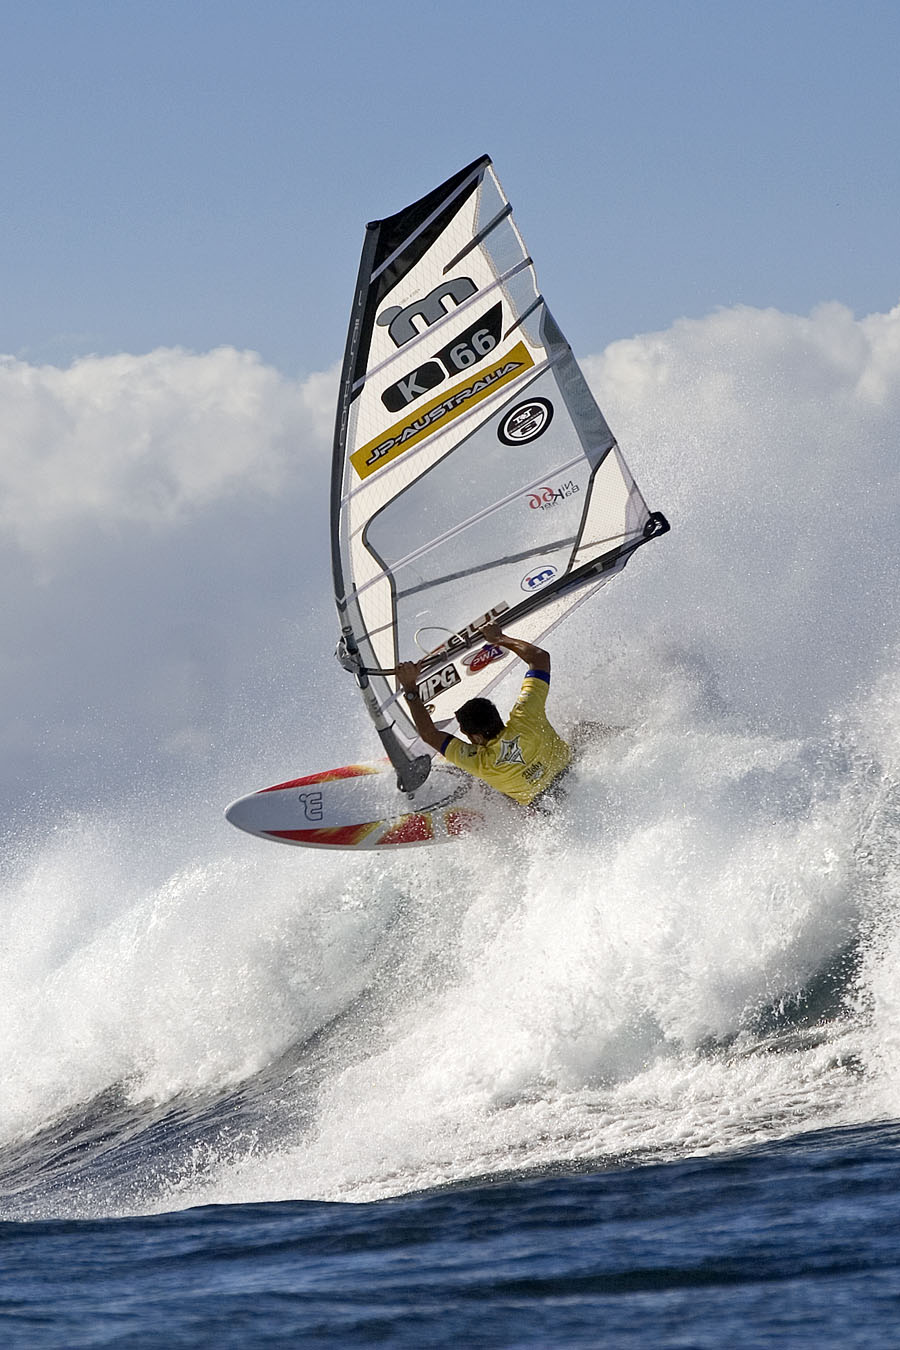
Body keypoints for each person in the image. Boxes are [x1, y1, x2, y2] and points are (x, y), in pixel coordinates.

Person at [395, 622, 572, 808]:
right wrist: (500, 639)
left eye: (466, 733)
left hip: (545, 810)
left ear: (477, 737)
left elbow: (429, 734)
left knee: (489, 789)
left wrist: (409, 687)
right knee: (582, 730)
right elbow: (540, 658)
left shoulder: (481, 763)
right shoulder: (526, 717)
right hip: (573, 773)